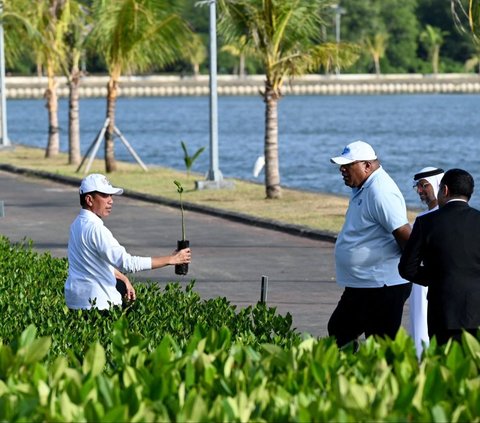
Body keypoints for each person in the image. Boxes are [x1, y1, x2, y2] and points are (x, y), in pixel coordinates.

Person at [328, 140, 412, 348]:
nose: (342, 170)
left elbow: (404, 234)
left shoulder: (380, 191)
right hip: (364, 283)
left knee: (380, 345)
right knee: (339, 331)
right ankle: (354, 375)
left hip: (382, 285)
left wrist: (411, 270)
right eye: (342, 166)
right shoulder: (364, 187)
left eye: (348, 165)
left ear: (367, 165)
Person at [65, 173, 192, 310]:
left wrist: (123, 279)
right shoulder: (96, 229)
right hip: (100, 306)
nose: (110, 200)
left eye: (111, 195)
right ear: (89, 200)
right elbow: (126, 263)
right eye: (105, 195)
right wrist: (171, 259)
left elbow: (93, 261)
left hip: (76, 302)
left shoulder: (77, 224)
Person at [399, 168, 480, 345]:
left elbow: (406, 268)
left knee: (444, 364)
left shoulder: (425, 222)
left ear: (444, 190)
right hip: (477, 311)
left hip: (442, 311)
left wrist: (436, 278)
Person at [408, 166, 444, 358]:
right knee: (418, 323)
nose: (420, 191)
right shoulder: (422, 218)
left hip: (434, 282)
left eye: (424, 186)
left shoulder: (443, 217)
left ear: (439, 186)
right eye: (418, 187)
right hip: (418, 283)